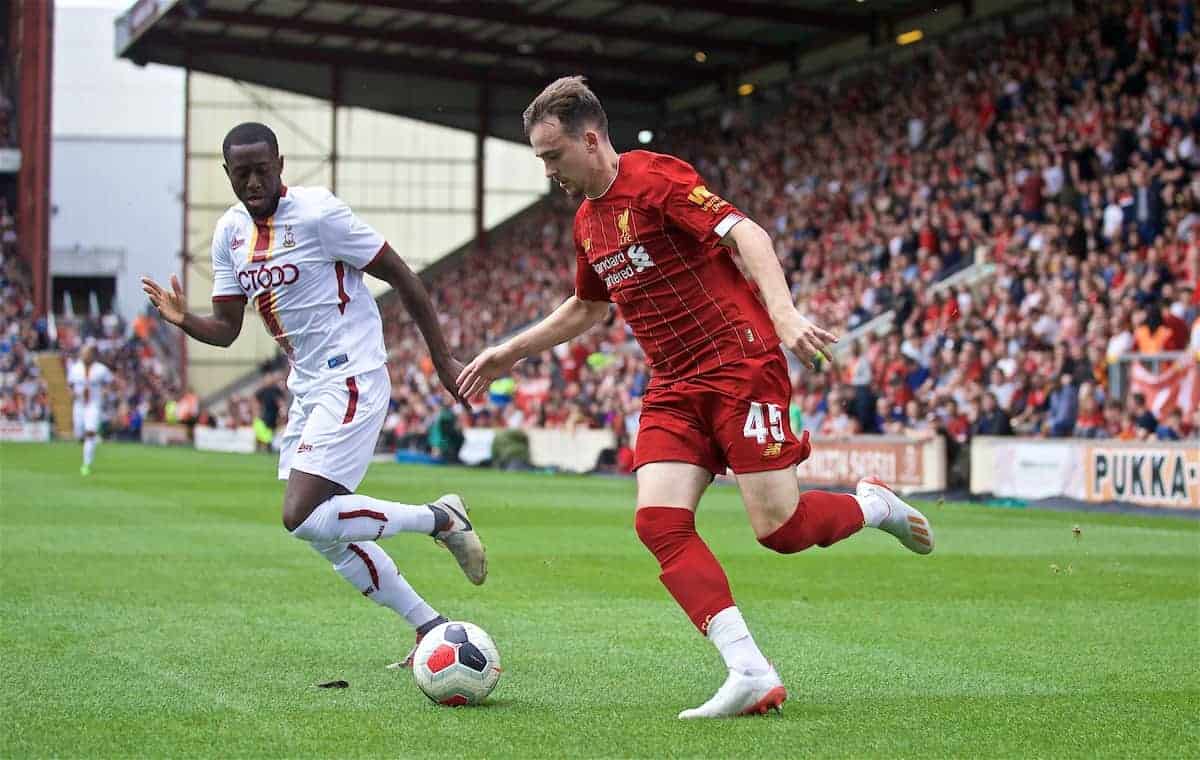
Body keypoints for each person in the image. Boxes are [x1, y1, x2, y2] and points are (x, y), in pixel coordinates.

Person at [458, 77, 935, 719]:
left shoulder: (659, 179)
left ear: (591, 139)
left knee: (782, 531)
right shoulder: (586, 222)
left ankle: (871, 506)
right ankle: (749, 669)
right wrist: (508, 350)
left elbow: (747, 235)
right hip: (673, 385)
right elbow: (586, 308)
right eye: (541, 159)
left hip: (740, 364)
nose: (548, 171)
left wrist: (785, 313)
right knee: (657, 521)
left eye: (553, 156)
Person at [141, 122, 486, 668]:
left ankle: (439, 518)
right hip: (306, 387)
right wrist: (184, 320)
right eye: (242, 172)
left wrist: (442, 359)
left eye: (262, 169)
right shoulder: (229, 234)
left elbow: (404, 277)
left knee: (301, 514)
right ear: (226, 172)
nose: (253, 181)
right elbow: (228, 330)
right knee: (324, 532)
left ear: (280, 163)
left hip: (353, 375)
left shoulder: (319, 214)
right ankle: (429, 626)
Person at [66, 343, 112, 476]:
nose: (85, 355)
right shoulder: (75, 368)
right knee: (79, 433)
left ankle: (86, 464)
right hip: (79, 405)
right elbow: (69, 385)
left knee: (90, 433)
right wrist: (71, 393)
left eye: (88, 353)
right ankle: (81, 438)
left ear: (93, 355)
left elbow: (110, 383)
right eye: (83, 353)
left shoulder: (101, 369)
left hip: (93, 405)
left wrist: (105, 392)